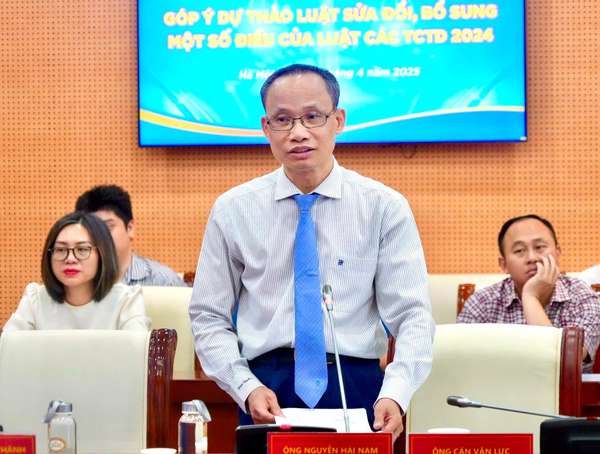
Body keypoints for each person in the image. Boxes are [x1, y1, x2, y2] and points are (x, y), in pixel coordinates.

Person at [189, 63, 434, 440]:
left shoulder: (383, 207)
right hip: (264, 388)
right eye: (282, 120)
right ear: (266, 128)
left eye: (313, 117)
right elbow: (207, 315)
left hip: (358, 387)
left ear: (338, 120)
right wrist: (245, 387)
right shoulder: (233, 210)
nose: (298, 132)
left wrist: (396, 394)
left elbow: (413, 316)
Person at [458, 214, 600, 371]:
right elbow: (461, 363)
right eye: (519, 250)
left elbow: (565, 364)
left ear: (557, 253)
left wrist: (530, 296)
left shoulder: (582, 296)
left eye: (539, 247)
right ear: (504, 264)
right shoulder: (481, 304)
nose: (532, 258)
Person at [3, 211, 149, 331]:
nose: (70, 259)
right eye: (61, 249)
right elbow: (8, 348)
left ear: (102, 254)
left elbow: (136, 352)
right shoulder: (35, 299)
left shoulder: (127, 300)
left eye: (82, 249)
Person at [75, 184, 185, 287]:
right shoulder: (76, 283)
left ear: (130, 228)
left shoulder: (164, 281)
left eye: (107, 227)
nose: (99, 236)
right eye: (91, 229)